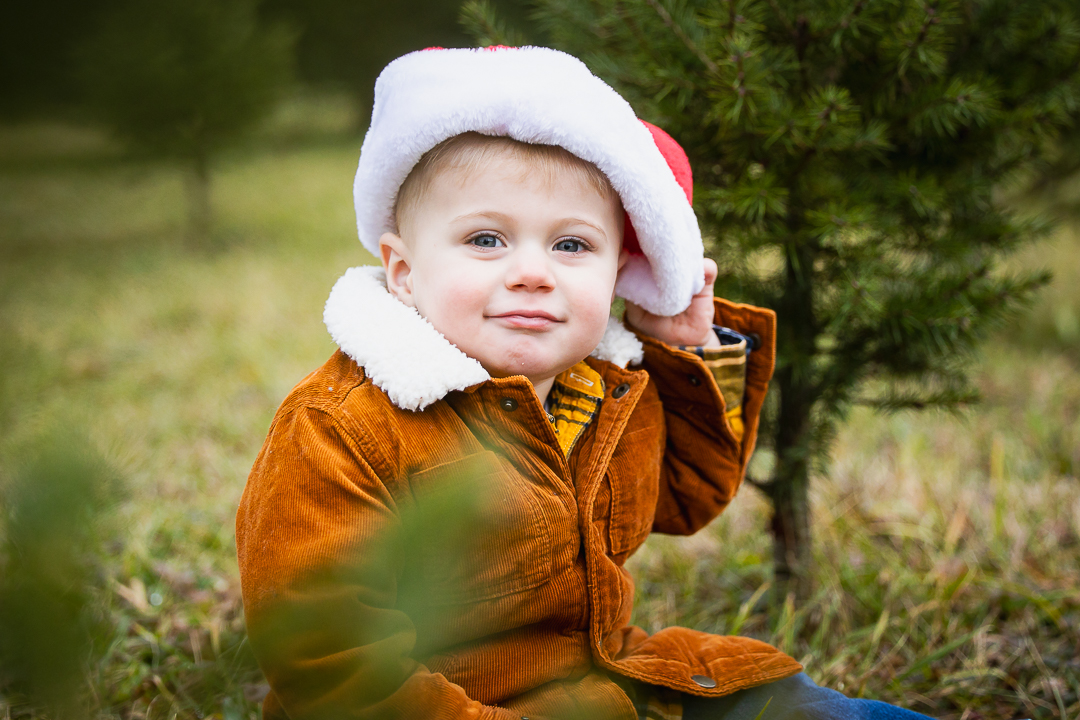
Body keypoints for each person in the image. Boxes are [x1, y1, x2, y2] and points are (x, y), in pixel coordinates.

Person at [236, 46, 934, 720]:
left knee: (802, 708)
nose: (534, 271)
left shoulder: (602, 388)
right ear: (404, 271)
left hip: (619, 685)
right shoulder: (344, 427)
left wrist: (679, 349)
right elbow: (329, 658)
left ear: (617, 274)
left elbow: (690, 496)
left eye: (572, 245)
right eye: (486, 239)